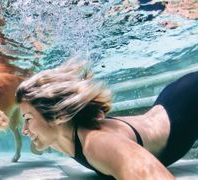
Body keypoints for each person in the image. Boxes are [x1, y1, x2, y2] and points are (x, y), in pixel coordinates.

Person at [15, 59, 198, 179]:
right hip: (172, 101)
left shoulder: (97, 143)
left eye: (28, 119)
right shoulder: (57, 135)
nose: (24, 129)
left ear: (59, 116)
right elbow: (36, 146)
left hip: (189, 105)